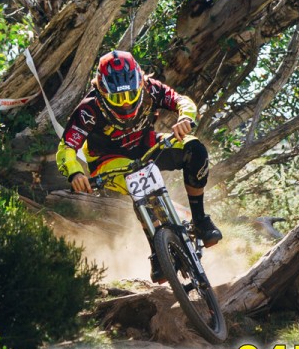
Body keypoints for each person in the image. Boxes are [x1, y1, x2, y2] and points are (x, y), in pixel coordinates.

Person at [56, 50, 222, 283]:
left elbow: (181, 100)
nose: (125, 104)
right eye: (116, 99)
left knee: (196, 150)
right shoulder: (88, 110)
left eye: (130, 95)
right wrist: (74, 172)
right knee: (138, 182)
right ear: (102, 91)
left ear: (140, 82)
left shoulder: (150, 88)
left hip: (146, 146)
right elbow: (67, 149)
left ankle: (201, 219)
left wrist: (185, 118)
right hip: (108, 161)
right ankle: (157, 251)